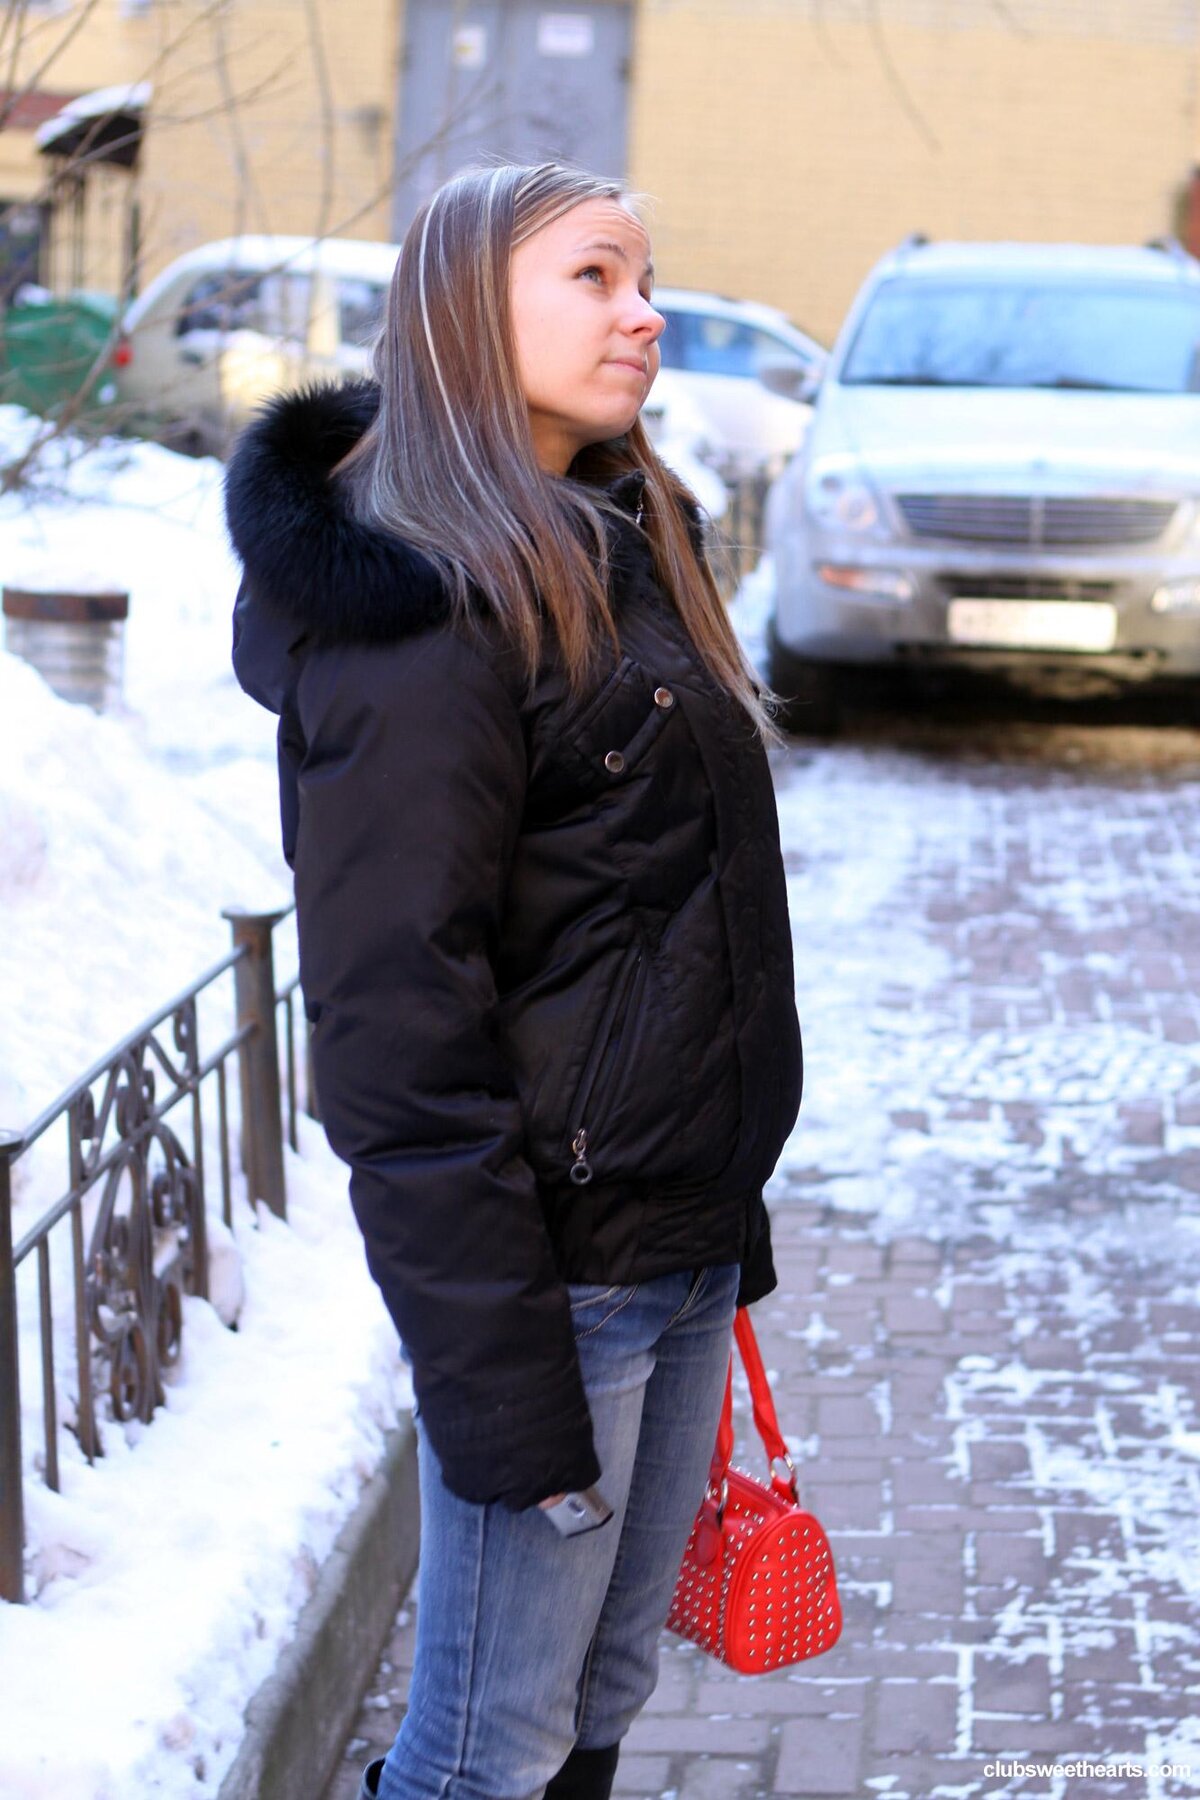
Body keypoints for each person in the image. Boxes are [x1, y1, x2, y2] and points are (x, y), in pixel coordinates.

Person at [224, 161, 802, 1800]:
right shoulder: (428, 613)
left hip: (674, 1241)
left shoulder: (623, 538)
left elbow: (665, 924)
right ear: (468, 312)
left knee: (600, 1694)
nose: (646, 314)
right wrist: (497, 1377)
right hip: (556, 1283)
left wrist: (723, 1214)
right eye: (596, 277)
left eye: (646, 276)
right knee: (488, 1747)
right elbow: (396, 1027)